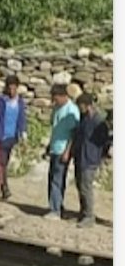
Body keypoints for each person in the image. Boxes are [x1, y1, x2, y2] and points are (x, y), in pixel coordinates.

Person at [0, 74, 27, 200]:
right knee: (1, 163)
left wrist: (23, 133)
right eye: (10, 88)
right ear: (6, 88)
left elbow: (21, 118)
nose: (12, 91)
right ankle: (5, 188)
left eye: (14, 88)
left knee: (3, 163)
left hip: (11, 137)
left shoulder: (19, 102)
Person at [72, 93, 110, 227]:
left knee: (86, 187)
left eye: (81, 105)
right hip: (80, 157)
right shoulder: (84, 119)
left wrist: (99, 157)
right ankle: (83, 212)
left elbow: (104, 142)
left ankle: (89, 216)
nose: (79, 108)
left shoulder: (98, 122)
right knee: (80, 185)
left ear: (87, 105)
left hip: (90, 159)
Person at [45, 82, 81, 219]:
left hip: (62, 150)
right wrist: (49, 144)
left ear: (63, 96)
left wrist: (67, 151)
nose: (54, 101)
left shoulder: (71, 110)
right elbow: (55, 128)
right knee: (52, 178)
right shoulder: (56, 108)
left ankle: (55, 211)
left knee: (57, 180)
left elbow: (73, 134)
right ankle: (56, 205)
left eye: (56, 98)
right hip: (55, 147)